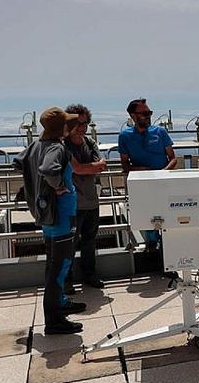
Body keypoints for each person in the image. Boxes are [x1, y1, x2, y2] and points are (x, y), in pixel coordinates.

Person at [14, 107, 86, 335]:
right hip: (61, 215)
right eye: (69, 124)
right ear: (62, 128)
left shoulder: (36, 145)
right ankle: (54, 319)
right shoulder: (56, 147)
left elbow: (19, 162)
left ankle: (60, 302)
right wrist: (59, 187)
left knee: (53, 263)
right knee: (60, 265)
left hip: (47, 215)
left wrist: (35, 186)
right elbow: (48, 169)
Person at [118, 99, 175, 254]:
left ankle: (168, 250)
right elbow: (125, 164)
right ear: (133, 115)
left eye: (149, 113)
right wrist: (140, 170)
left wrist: (163, 172)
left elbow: (173, 158)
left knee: (167, 217)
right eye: (144, 113)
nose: (148, 116)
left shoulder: (160, 132)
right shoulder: (125, 136)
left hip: (163, 183)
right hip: (141, 185)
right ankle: (152, 249)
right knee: (147, 218)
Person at [65, 104, 107, 289]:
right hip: (72, 204)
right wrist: (90, 167)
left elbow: (102, 164)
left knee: (90, 242)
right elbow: (78, 168)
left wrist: (87, 168)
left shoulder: (89, 143)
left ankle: (90, 275)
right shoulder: (63, 146)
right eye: (78, 123)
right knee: (69, 244)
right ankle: (66, 280)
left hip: (91, 202)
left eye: (85, 124)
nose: (82, 128)